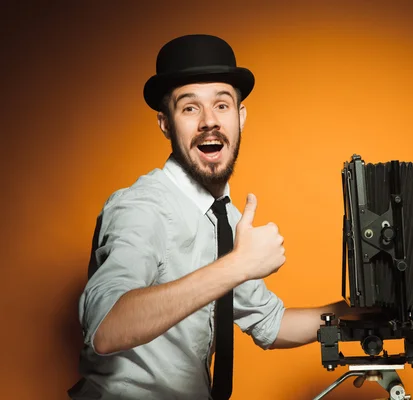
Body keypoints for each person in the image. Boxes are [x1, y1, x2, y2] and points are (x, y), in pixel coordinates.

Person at [68, 34, 351, 400]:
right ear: (165, 123)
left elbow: (271, 323)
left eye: (222, 105)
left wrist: (355, 313)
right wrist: (237, 266)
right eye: (189, 108)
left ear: (240, 116)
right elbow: (106, 329)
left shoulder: (227, 220)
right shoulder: (140, 207)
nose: (209, 122)